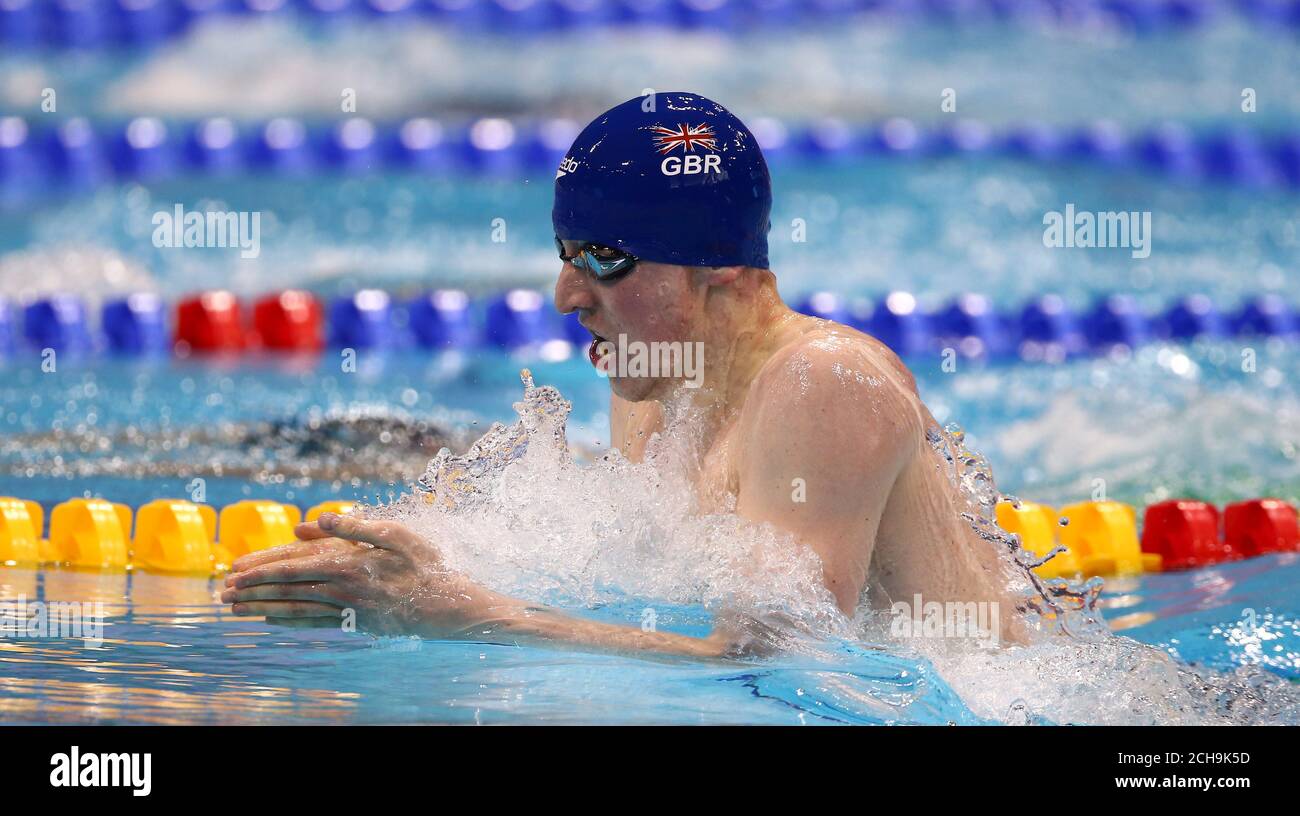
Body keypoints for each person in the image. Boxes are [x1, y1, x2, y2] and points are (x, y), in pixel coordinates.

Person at [223, 92, 1026, 655]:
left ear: (718, 271)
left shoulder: (823, 383)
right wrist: (411, 565)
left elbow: (781, 669)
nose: (568, 297)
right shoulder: (655, 388)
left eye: (606, 259)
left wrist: (465, 614)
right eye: (566, 255)